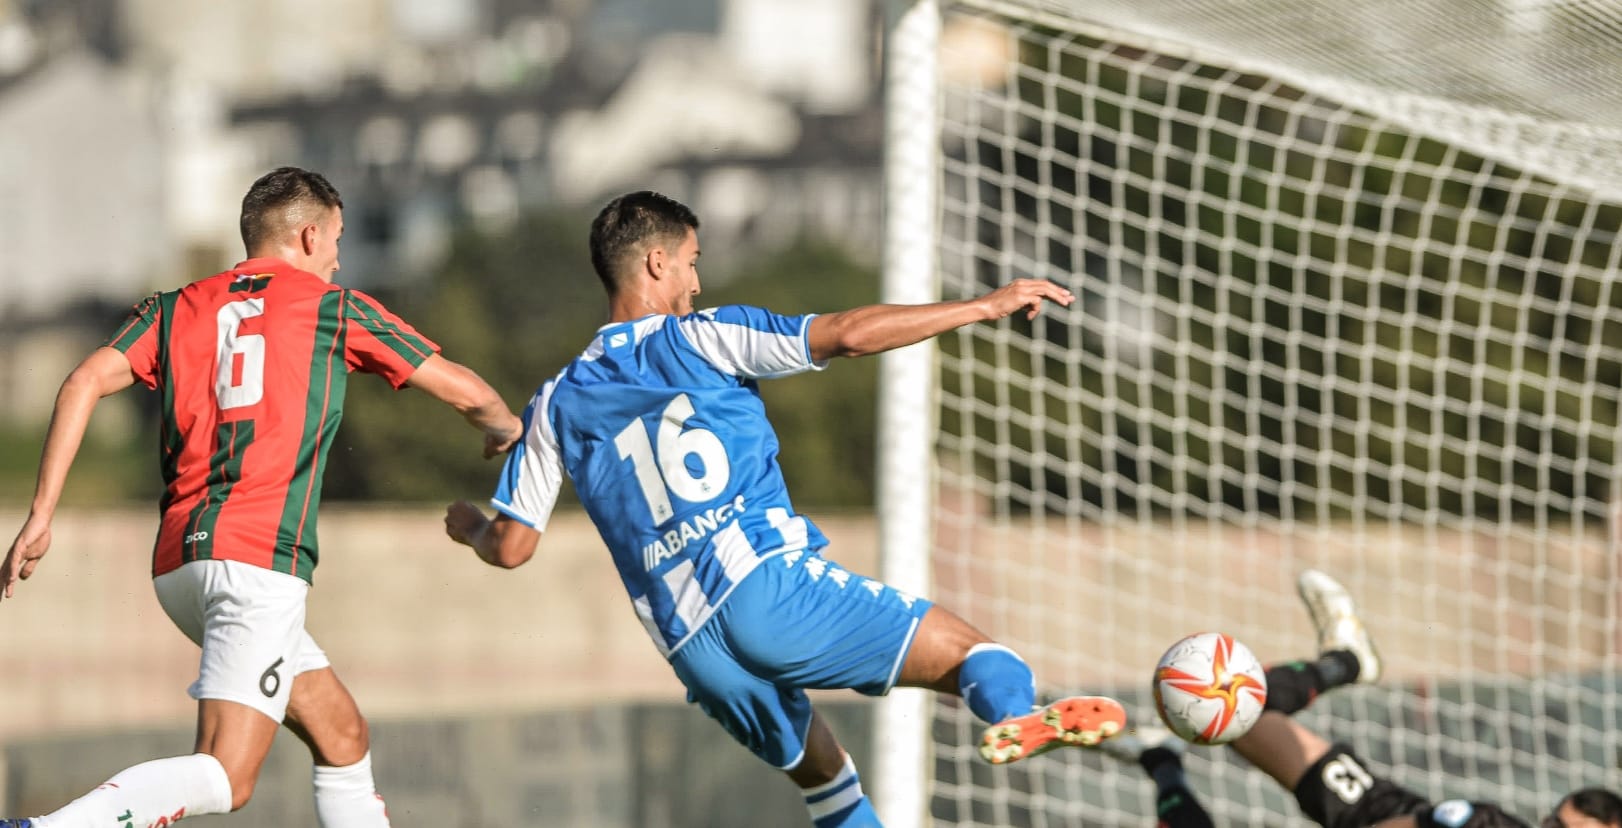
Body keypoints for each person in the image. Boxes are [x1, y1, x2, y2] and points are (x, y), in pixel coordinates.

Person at [440, 190, 1126, 827]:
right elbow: (851, 333)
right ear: (658, 262)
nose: (698, 283)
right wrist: (985, 305)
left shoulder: (555, 401)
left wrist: (471, 526)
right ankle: (1017, 714)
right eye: (692, 263)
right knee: (979, 653)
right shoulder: (705, 336)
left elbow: (512, 547)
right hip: (766, 590)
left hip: (690, 647)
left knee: (827, 779)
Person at [0, 167, 522, 828]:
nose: (337, 256)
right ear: (307, 236)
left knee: (342, 735)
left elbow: (81, 381)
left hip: (179, 564)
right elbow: (466, 392)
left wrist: (41, 515)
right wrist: (508, 427)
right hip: (256, 565)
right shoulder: (334, 308)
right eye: (335, 238)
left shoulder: (174, 307)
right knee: (227, 774)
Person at [1096, 569, 1622, 828]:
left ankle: (1160, 760)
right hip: (1378, 814)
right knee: (1243, 714)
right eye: (1554, 825)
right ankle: (1345, 660)